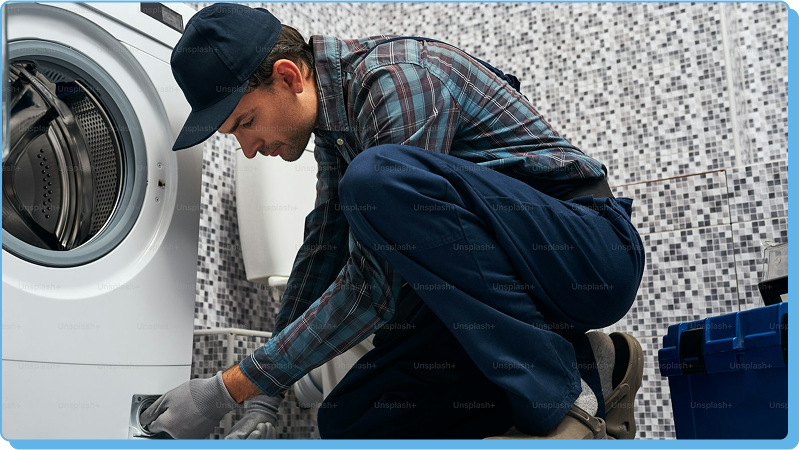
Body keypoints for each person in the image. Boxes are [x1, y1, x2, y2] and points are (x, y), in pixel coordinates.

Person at [140, 3, 646, 440]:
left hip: (586, 255)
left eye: (245, 122)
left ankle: (565, 401)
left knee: (374, 181)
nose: (247, 149)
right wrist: (264, 395)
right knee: (354, 420)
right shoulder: (338, 127)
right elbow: (322, 251)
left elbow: (371, 288)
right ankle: (596, 371)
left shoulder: (395, 78)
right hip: (513, 282)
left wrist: (227, 389)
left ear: (289, 76)